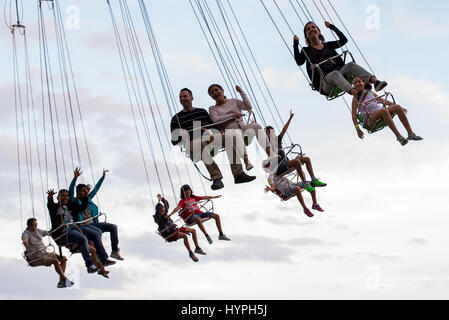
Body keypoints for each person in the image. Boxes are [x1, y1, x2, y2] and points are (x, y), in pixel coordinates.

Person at [171, 88, 256, 190]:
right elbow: (174, 141)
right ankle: (216, 178)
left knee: (229, 136)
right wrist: (181, 135)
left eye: (185, 96)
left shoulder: (201, 112)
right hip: (193, 142)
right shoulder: (176, 118)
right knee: (200, 143)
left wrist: (220, 131)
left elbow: (212, 126)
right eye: (180, 97)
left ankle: (238, 174)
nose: (182, 99)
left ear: (191, 98)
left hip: (208, 137)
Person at [293, 21, 388, 98]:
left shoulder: (328, 45)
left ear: (318, 31)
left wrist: (331, 26)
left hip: (339, 73)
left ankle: (375, 82)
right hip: (325, 82)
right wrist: (296, 43)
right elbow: (299, 62)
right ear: (306, 35)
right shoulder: (306, 50)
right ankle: (357, 94)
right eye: (308, 29)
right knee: (335, 73)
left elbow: (344, 40)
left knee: (350, 65)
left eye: (313, 27)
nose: (311, 30)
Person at [47, 189, 110, 278]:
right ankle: (89, 265)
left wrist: (85, 197)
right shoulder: (55, 207)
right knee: (83, 239)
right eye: (62, 196)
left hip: (75, 229)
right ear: (58, 197)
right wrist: (50, 197)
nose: (65, 197)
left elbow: (81, 208)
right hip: (65, 232)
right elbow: (50, 206)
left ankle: (103, 263)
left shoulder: (70, 207)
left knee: (95, 238)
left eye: (66, 196)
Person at [208, 84, 272, 169]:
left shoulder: (234, 101)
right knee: (237, 133)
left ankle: (270, 154)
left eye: (216, 90)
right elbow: (215, 119)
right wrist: (232, 115)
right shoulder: (213, 109)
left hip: (243, 127)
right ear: (211, 96)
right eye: (212, 92)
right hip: (230, 131)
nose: (215, 93)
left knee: (257, 126)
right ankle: (246, 162)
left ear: (222, 91)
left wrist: (241, 92)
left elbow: (248, 107)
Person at [265, 111, 327, 192]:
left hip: (286, 163)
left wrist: (290, 118)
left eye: (273, 131)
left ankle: (314, 179)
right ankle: (305, 183)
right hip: (279, 168)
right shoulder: (268, 145)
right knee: (296, 162)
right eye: (270, 132)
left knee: (306, 159)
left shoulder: (278, 140)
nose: (272, 133)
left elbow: (284, 129)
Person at [352, 77, 423, 146]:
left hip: (380, 111)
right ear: (353, 86)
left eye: (359, 81)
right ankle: (399, 137)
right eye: (355, 83)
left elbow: (383, 101)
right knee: (383, 110)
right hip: (370, 119)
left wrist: (401, 108)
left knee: (397, 107)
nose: (357, 84)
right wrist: (357, 129)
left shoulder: (370, 92)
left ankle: (410, 134)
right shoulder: (355, 98)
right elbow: (354, 115)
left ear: (364, 83)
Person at [69, 168, 116, 267]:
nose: (85, 193)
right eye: (83, 191)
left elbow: (96, 189)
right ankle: (103, 258)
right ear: (78, 192)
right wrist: (75, 178)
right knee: (96, 234)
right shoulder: (74, 201)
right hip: (83, 225)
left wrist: (102, 178)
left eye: (86, 191)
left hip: (93, 223)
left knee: (112, 227)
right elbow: (70, 192)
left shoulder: (88, 199)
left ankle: (115, 250)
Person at [22, 218, 74, 288]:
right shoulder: (26, 233)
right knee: (55, 261)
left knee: (63, 259)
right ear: (29, 226)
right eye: (34, 225)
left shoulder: (37, 231)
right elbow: (25, 239)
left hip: (45, 253)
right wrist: (25, 242)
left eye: (36, 224)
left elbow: (48, 232)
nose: (36, 226)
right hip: (36, 258)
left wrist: (56, 231)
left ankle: (61, 282)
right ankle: (65, 279)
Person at [154, 194, 206, 262]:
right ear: (159, 212)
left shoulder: (164, 214)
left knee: (193, 230)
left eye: (164, 211)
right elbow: (158, 214)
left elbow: (166, 205)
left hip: (175, 230)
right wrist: (158, 202)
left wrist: (162, 199)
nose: (164, 212)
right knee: (184, 236)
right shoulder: (158, 218)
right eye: (162, 211)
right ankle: (191, 253)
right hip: (169, 235)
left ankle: (197, 248)